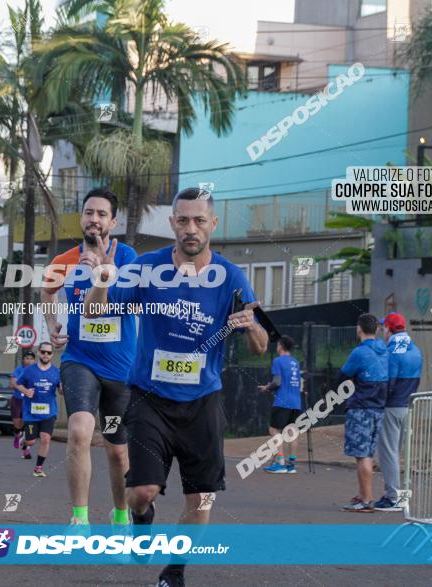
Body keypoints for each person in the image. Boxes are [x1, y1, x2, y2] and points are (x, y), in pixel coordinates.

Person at [83, 187, 268, 587]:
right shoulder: (148, 268)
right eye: (183, 220)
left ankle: (174, 571)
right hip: (150, 399)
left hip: (202, 401)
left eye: (199, 220)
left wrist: (251, 325)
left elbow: (262, 344)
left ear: (212, 224)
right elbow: (94, 312)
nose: (191, 228)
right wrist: (100, 278)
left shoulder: (232, 277)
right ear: (172, 223)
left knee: (200, 497)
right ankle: (141, 520)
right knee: (142, 492)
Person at [41, 187, 137, 527]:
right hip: (80, 360)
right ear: (81, 218)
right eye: (88, 213)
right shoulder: (65, 261)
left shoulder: (127, 258)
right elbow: (47, 291)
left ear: (113, 221)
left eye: (101, 214)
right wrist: (52, 325)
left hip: (121, 366)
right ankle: (79, 519)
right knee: (80, 431)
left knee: (117, 449)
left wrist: (103, 275)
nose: (93, 219)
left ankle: (121, 514)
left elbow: (107, 307)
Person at [337, 313, 389, 513]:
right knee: (368, 453)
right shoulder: (384, 350)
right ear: (376, 329)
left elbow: (343, 376)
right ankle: (363, 495)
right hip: (379, 408)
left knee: (362, 455)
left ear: (359, 328)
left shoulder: (359, 353)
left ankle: (366, 500)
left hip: (361, 407)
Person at [375, 313, 422, 512]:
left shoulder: (392, 350)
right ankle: (398, 496)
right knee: (397, 452)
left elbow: (389, 382)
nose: (382, 331)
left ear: (389, 329)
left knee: (389, 453)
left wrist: (378, 401)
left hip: (392, 406)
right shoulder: (415, 349)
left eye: (384, 327)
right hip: (407, 404)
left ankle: (392, 497)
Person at [257, 335, 302, 474]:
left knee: (274, 430)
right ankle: (291, 465)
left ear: (281, 346)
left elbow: (277, 382)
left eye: (277, 345)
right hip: (296, 402)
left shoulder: (278, 361)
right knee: (292, 432)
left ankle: (280, 462)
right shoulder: (295, 362)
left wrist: (266, 388)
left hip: (282, 401)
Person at [15, 342, 61, 477]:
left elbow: (60, 389)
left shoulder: (56, 372)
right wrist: (26, 391)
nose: (46, 355)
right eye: (43, 352)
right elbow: (18, 384)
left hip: (49, 412)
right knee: (31, 441)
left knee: (46, 439)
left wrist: (63, 389)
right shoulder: (29, 370)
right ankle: (24, 440)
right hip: (31, 413)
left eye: (49, 352)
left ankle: (38, 467)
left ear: (52, 355)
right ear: (39, 352)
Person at [10, 351, 36, 456]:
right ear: (23, 360)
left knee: (27, 425)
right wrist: (24, 390)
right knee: (18, 424)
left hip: (30, 401)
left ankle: (26, 450)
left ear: (34, 360)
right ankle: (17, 435)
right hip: (18, 400)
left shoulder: (36, 371)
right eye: (27, 358)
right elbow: (13, 384)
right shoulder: (19, 370)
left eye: (31, 358)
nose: (29, 361)